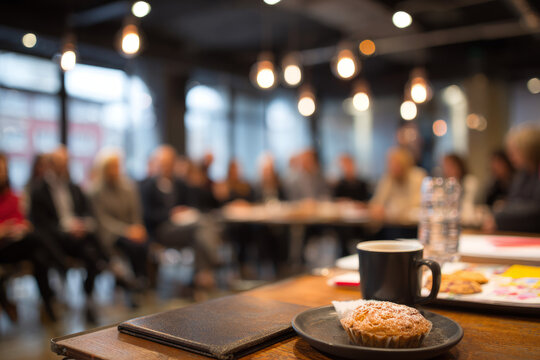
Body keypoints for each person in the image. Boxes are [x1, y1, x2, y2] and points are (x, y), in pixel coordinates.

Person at [29, 146, 109, 322]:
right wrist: (65, 227)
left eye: (66, 163)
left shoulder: (73, 187)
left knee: (90, 253)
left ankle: (88, 294)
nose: (63, 167)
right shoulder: (38, 190)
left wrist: (81, 225)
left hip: (75, 238)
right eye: (59, 163)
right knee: (41, 257)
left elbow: (86, 212)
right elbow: (41, 225)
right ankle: (109, 262)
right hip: (54, 239)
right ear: (50, 165)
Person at [140, 145, 217, 288]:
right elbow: (147, 214)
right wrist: (170, 214)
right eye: (163, 163)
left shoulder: (180, 184)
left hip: (185, 226)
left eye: (169, 163)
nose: (166, 167)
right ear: (157, 163)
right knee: (201, 226)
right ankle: (211, 262)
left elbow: (193, 205)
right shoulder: (147, 186)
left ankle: (201, 275)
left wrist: (184, 210)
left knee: (200, 231)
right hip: (161, 229)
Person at [0, 153, 57, 322]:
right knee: (37, 242)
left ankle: (48, 302)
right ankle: (50, 296)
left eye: (3, 170)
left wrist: (21, 226)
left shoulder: (13, 195)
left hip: (14, 244)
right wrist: (3, 229)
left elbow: (20, 219)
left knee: (38, 254)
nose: (1, 174)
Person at [90, 150, 149, 284]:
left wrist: (137, 228)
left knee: (144, 243)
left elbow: (135, 213)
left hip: (131, 230)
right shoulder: (95, 191)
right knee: (131, 246)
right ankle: (131, 281)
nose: (115, 170)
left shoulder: (128, 188)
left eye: (117, 166)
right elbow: (102, 220)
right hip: (111, 234)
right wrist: (126, 231)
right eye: (111, 166)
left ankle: (142, 280)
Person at [487, 124, 540, 233]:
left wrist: (500, 216)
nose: (510, 156)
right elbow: (512, 201)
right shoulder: (523, 174)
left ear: (529, 149)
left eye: (515, 151)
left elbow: (537, 211)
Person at [369, 147, 426, 238]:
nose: (393, 167)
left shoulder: (417, 176)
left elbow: (416, 203)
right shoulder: (388, 178)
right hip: (391, 227)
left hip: (413, 228)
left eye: (397, 164)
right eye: (390, 164)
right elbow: (377, 202)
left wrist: (390, 210)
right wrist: (377, 208)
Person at [441, 153, 479, 221]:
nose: (447, 169)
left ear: (458, 166)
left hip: (468, 220)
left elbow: (468, 205)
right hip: (451, 220)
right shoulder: (445, 184)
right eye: (445, 166)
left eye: (450, 166)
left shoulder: (469, 181)